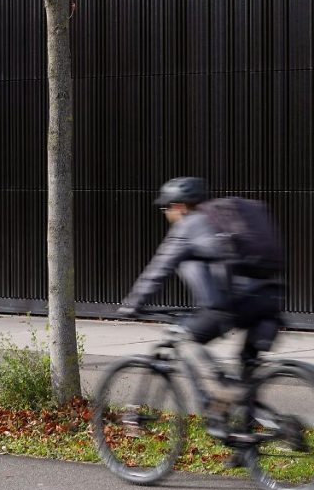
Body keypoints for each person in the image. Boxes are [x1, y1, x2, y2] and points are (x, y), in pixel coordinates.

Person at [118, 177, 285, 455]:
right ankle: (247, 449)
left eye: (167, 208)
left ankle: (221, 393)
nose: (167, 214)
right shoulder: (227, 219)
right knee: (246, 375)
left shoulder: (189, 225)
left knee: (186, 340)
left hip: (235, 304)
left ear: (180, 206)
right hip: (270, 298)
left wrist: (132, 304)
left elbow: (159, 269)